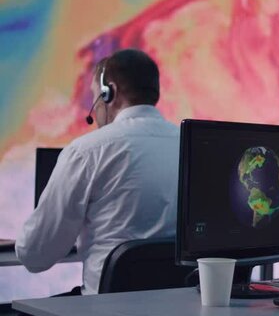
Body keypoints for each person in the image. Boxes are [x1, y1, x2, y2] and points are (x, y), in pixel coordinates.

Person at [16, 49, 179, 295]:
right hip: (175, 305)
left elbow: (35, 254)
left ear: (108, 91)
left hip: (105, 306)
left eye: (96, 97)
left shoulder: (87, 152)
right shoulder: (189, 145)